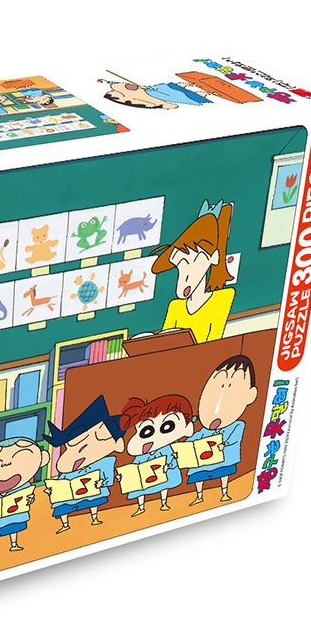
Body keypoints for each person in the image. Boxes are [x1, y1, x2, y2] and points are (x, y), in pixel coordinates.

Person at [151, 200, 235, 343]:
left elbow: (212, 346)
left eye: (193, 261)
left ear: (213, 258)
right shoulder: (175, 307)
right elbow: (164, 344)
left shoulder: (221, 300)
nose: (185, 274)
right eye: (180, 264)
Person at [43, 395, 125, 533]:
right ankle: (65, 524)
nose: (80, 450)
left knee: (94, 500)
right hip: (69, 497)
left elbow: (107, 478)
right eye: (72, 445)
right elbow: (61, 483)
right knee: (62, 506)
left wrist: (101, 483)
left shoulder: (103, 463)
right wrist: (52, 491)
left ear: (117, 445)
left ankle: (94, 518)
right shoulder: (68, 471)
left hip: (91, 493)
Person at [183, 355, 258, 505]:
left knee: (224, 473)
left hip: (223, 459)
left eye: (230, 388)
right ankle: (199, 496)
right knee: (198, 475)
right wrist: (183, 445)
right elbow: (195, 438)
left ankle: (224, 492)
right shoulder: (204, 432)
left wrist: (225, 445)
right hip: (203, 462)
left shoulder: (237, 425)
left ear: (250, 395)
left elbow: (235, 437)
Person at [118, 394, 195, 515]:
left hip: (164, 475)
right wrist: (124, 477)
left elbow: (174, 458)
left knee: (164, 485)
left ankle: (164, 503)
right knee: (139, 489)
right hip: (146, 480)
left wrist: (169, 466)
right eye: (146, 431)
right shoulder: (141, 456)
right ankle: (141, 507)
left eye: (167, 426)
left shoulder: (168, 448)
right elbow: (134, 468)